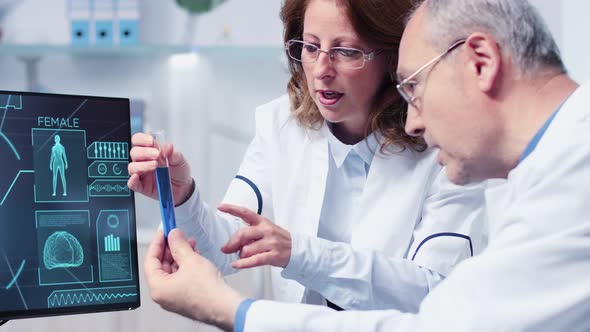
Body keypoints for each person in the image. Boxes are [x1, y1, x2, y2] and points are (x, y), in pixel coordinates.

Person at [143, 0, 590, 331]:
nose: (415, 120)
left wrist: (233, 309)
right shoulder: (550, 166)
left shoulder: (563, 185)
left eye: (413, 85)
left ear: (481, 62)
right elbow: (230, 240)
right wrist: (182, 197)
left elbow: (439, 315)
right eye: (310, 48)